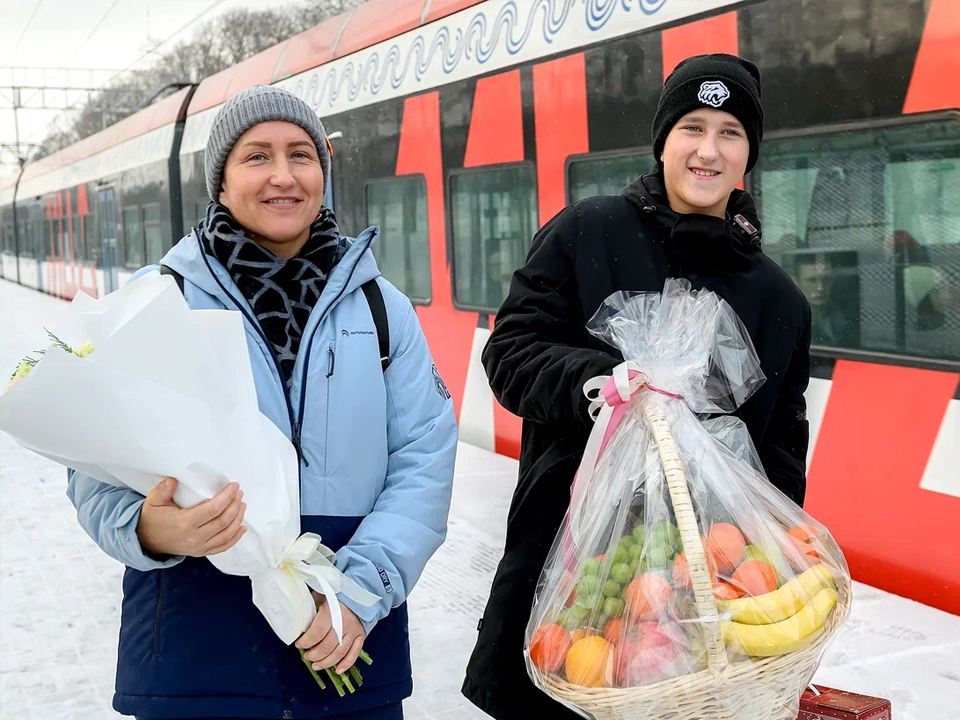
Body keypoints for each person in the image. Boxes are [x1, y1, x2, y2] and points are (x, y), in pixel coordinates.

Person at [67, 84, 458, 720]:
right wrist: (149, 529)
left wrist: (359, 590)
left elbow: (424, 455)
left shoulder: (383, 309)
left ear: (324, 174)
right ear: (220, 182)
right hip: (196, 643)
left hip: (347, 637)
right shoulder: (155, 301)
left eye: (302, 155)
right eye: (256, 157)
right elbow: (91, 465)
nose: (284, 176)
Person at [461, 54, 812, 720]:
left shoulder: (779, 300)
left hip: (698, 602)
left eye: (731, 133)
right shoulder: (586, 233)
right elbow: (509, 354)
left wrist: (772, 576)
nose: (708, 151)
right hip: (567, 575)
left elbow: (779, 463)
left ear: (750, 156)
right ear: (664, 141)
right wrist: (599, 383)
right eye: (692, 127)